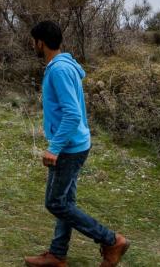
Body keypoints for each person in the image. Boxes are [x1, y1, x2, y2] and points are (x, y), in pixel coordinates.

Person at [24, 21, 129, 267]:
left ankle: (111, 240)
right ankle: (57, 254)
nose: (33, 46)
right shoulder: (64, 65)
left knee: (55, 202)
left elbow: (72, 114)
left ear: (40, 42)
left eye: (33, 41)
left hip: (70, 147)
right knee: (65, 202)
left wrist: (54, 147)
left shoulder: (59, 70)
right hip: (78, 143)